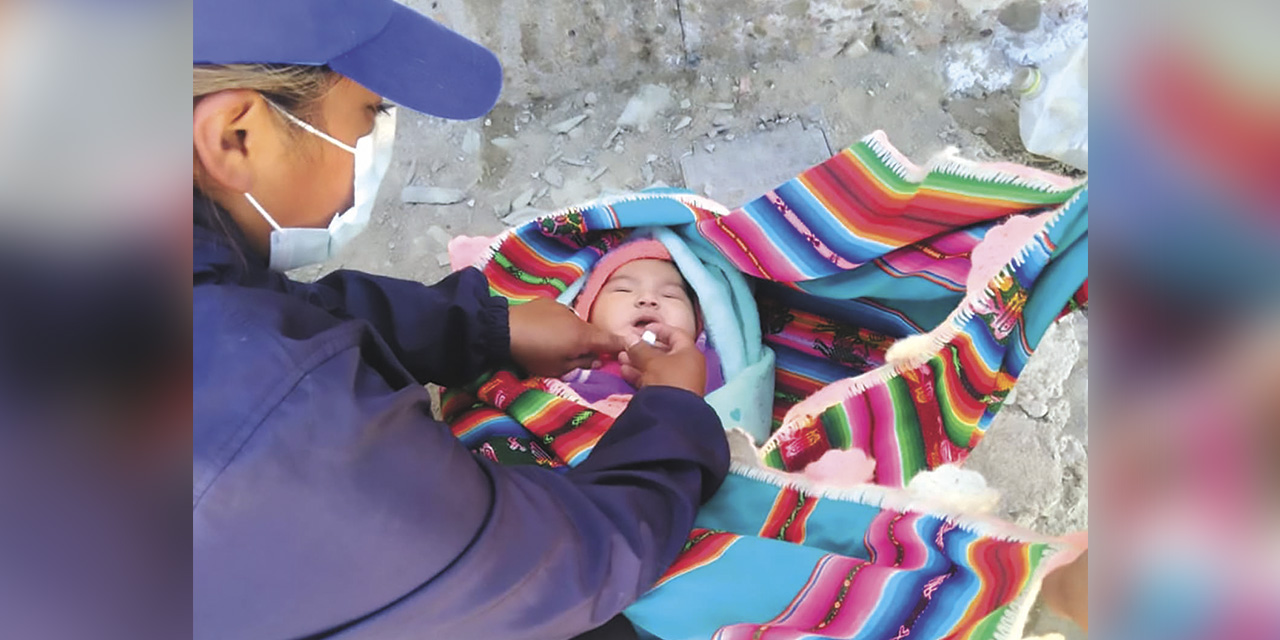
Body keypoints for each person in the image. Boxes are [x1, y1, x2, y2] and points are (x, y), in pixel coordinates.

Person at [191, 1, 729, 639]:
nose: (376, 146)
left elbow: (277, 313)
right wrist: (673, 410)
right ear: (236, 135)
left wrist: (483, 327)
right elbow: (561, 569)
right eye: (371, 113)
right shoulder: (282, 426)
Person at [555, 239, 725, 417]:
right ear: (586, 309)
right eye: (623, 290)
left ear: (698, 321)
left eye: (670, 295)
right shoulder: (565, 362)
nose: (648, 299)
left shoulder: (705, 368)